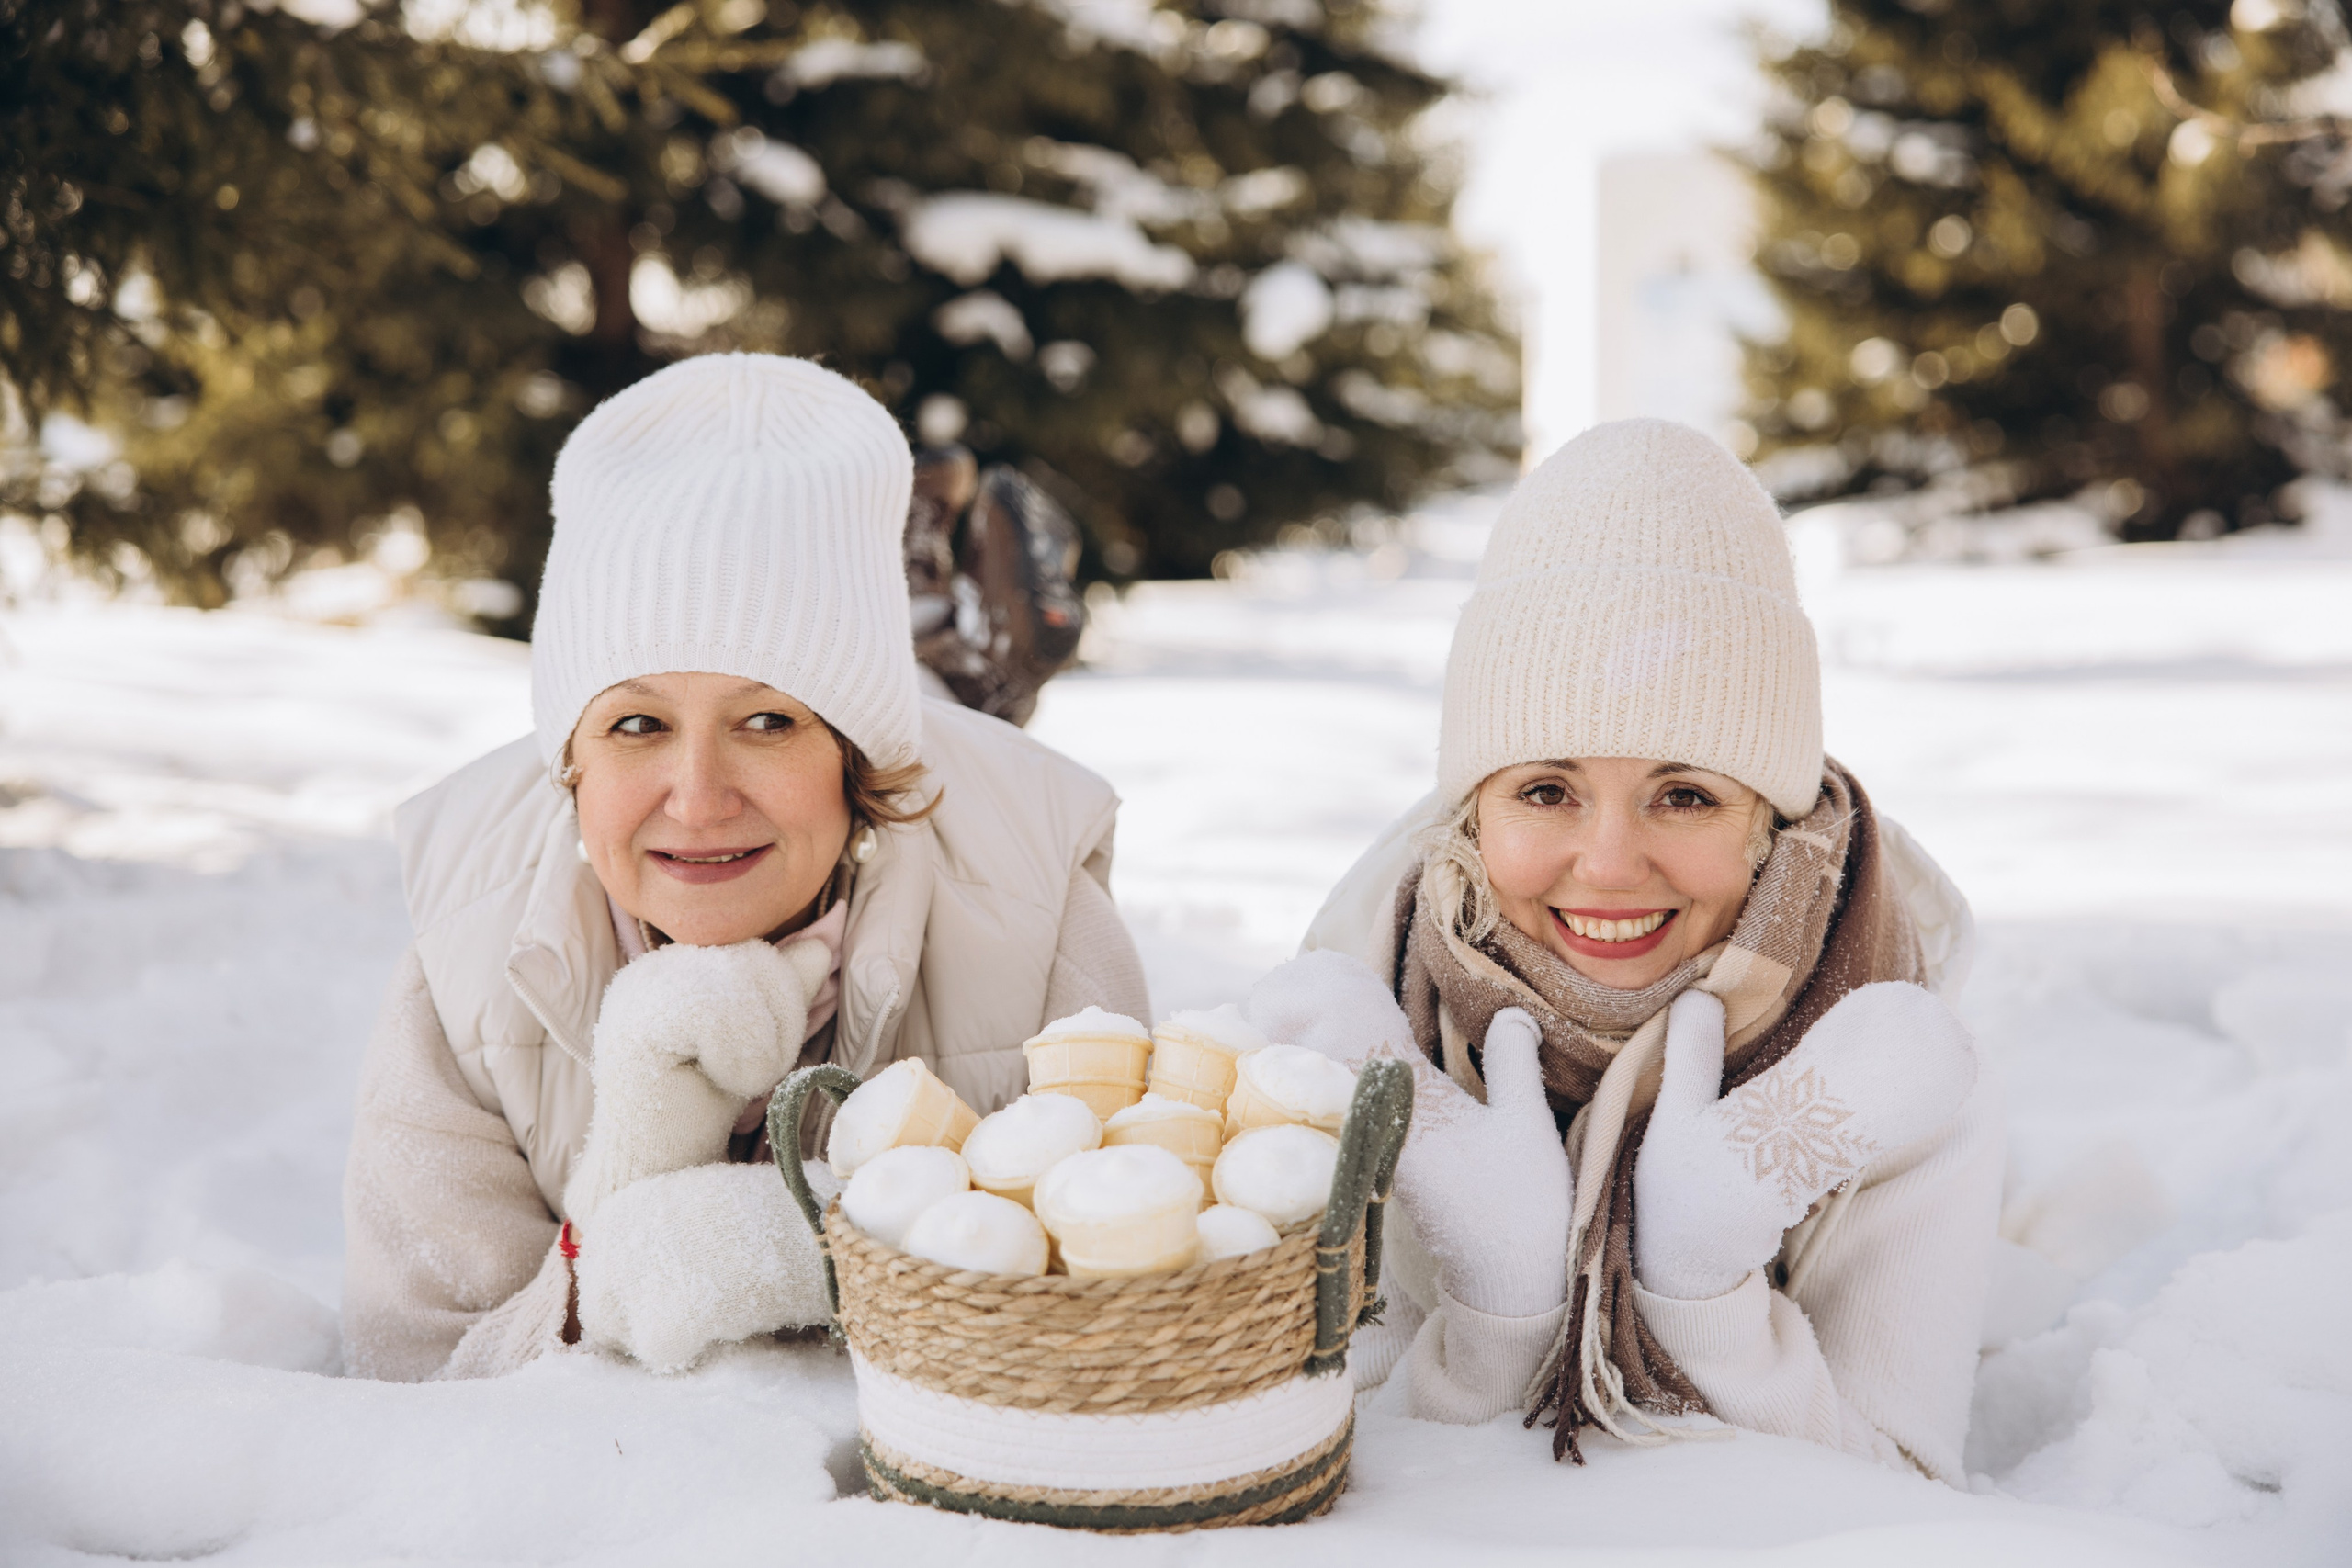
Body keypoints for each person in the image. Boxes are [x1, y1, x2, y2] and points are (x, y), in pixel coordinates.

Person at [341, 354, 1148, 1382]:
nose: (696, 797)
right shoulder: (467, 960)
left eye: (769, 719)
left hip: (936, 780)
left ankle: (939, 647)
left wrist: (813, 1249)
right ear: (571, 761)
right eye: (635, 724)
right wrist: (612, 1261)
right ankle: (908, 607)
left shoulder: (1037, 915)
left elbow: (1132, 1315)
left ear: (852, 760)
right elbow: (412, 1380)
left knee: (939, 722)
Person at [1249, 420, 1997, 1483]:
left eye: (1684, 795)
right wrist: (1500, 1311)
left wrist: (1702, 1297)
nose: (1606, 865)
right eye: (1545, 791)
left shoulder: (1889, 1046)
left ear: (1770, 822)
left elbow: (1907, 1498)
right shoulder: (1361, 1027)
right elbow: (1305, 1479)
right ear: (1472, 808)